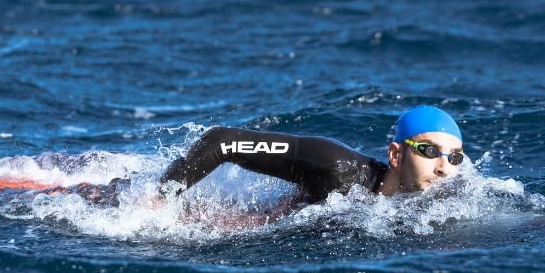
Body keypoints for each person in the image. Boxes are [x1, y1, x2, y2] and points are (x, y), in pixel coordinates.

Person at [159, 105, 465, 214]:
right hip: (206, 232)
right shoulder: (336, 167)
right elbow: (221, 141)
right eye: (428, 151)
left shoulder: (445, 209)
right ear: (396, 154)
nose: (443, 168)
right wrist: (158, 200)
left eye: (455, 158)